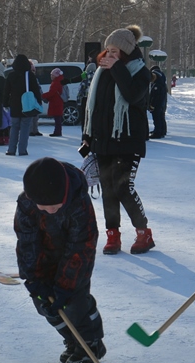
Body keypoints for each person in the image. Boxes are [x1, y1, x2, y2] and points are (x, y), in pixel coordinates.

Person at [15, 157, 106, 363]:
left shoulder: (78, 203)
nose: (50, 211)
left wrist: (66, 285)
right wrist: (33, 277)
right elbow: (26, 240)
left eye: (55, 207)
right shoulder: (27, 203)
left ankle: (90, 343)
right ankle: (72, 340)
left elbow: (81, 244)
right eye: (43, 207)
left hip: (76, 259)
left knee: (74, 302)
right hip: (44, 257)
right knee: (46, 304)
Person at [81, 25, 154, 254]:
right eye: (108, 51)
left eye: (115, 52)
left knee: (123, 187)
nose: (110, 55)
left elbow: (132, 95)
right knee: (108, 189)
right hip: (103, 141)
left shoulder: (140, 72)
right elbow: (94, 109)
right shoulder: (101, 74)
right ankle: (112, 235)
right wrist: (87, 137)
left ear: (126, 53)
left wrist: (117, 69)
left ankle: (144, 233)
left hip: (129, 140)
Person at [3, 54, 42, 156]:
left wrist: (5, 103)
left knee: (14, 127)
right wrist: (39, 101)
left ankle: (11, 149)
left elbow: (6, 91)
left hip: (15, 105)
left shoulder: (11, 76)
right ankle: (22, 150)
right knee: (25, 128)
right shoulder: (30, 76)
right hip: (27, 106)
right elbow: (36, 90)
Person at [42, 67, 67, 137]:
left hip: (56, 102)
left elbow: (52, 92)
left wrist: (43, 96)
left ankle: (57, 132)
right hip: (58, 101)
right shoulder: (60, 80)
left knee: (57, 118)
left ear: (56, 75)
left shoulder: (56, 82)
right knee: (58, 117)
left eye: (52, 75)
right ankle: (58, 131)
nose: (51, 76)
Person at [149, 61, 168, 139]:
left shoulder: (157, 85)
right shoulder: (162, 82)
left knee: (157, 118)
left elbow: (155, 96)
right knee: (161, 117)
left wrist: (152, 105)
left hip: (157, 105)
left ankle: (158, 132)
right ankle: (162, 130)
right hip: (161, 104)